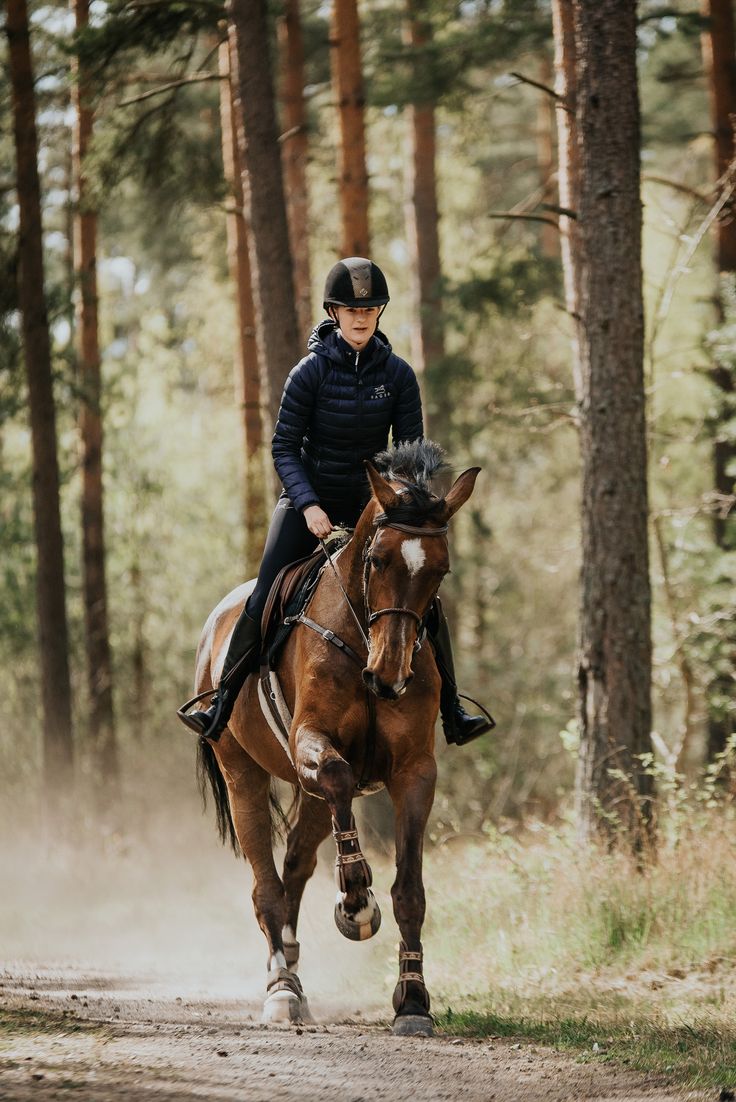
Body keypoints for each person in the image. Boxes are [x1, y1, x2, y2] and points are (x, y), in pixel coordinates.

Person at [180, 257, 494, 746]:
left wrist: (399, 505)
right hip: (312, 503)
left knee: (425, 603)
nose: (361, 316)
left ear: (380, 312)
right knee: (264, 595)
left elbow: (410, 452)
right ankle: (220, 705)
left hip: (379, 507)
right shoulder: (308, 374)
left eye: (370, 307)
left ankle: (452, 711)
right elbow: (284, 447)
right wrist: (307, 505)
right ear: (333, 312)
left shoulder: (400, 376)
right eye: (351, 308)